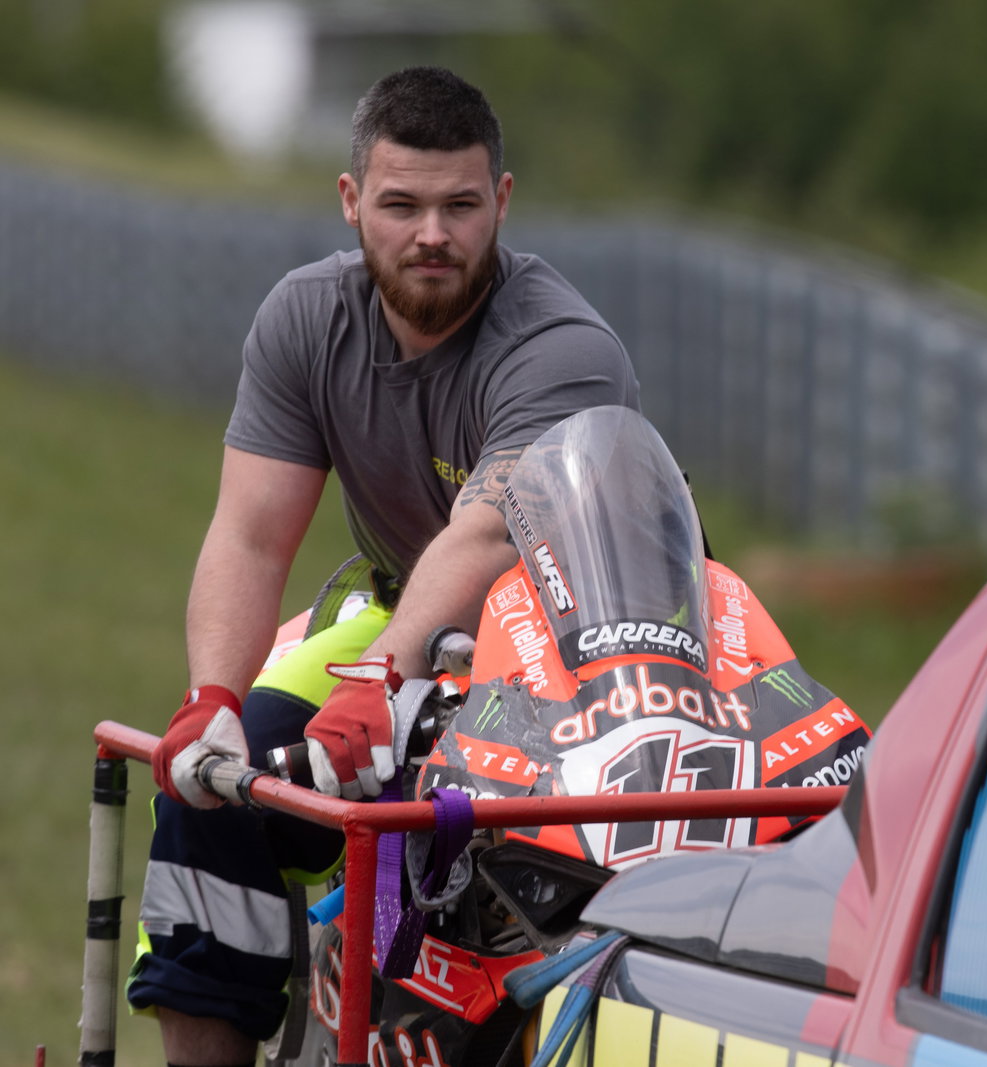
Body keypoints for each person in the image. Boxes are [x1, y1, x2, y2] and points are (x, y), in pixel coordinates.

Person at [127, 66, 640, 1066]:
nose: (431, 234)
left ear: (501, 201)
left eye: (459, 204)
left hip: (582, 648)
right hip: (409, 625)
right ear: (351, 199)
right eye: (401, 204)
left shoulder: (564, 345)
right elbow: (249, 533)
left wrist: (379, 681)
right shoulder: (303, 317)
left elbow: (490, 534)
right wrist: (210, 698)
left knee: (427, 822)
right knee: (205, 792)